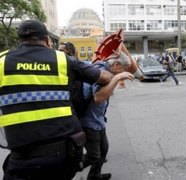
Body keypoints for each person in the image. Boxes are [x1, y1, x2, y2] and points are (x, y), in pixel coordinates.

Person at [0, 19, 113, 180]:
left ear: (19, 41)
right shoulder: (63, 60)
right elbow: (104, 77)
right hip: (62, 156)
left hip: (21, 158)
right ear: (47, 40)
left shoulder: (2, 62)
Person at [80, 51, 134, 180]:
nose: (123, 72)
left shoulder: (106, 70)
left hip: (98, 120)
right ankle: (71, 167)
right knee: (94, 155)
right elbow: (98, 97)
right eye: (123, 69)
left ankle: (94, 176)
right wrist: (116, 78)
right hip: (88, 121)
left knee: (104, 149)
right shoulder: (100, 72)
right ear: (116, 64)